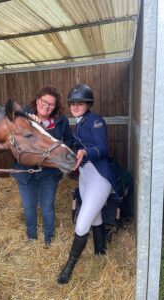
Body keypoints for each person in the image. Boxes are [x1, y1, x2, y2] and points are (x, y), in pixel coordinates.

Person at [57, 84, 118, 284]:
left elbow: (102, 147)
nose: (75, 106)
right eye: (72, 103)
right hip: (85, 177)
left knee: (82, 223)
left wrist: (86, 152)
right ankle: (100, 252)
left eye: (80, 103)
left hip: (99, 178)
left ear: (88, 104)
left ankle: (69, 267)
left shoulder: (96, 121)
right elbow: (77, 146)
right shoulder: (79, 123)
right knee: (95, 216)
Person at [11, 86, 73, 246]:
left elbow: (68, 142)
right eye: (44, 101)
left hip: (49, 173)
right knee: (29, 207)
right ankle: (32, 238)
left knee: (47, 207)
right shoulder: (23, 118)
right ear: (38, 100)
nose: (46, 106)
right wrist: (30, 122)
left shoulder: (61, 121)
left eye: (51, 104)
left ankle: (49, 239)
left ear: (55, 107)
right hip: (25, 173)